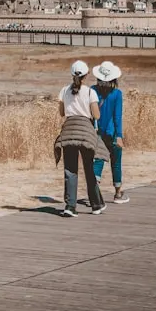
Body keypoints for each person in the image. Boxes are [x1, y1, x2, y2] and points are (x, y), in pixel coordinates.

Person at [54, 60, 106, 217]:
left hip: (69, 130)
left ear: (72, 74)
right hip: (85, 132)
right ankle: (96, 205)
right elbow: (96, 115)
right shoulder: (90, 92)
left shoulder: (64, 91)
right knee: (89, 169)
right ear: (86, 75)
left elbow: (62, 113)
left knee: (70, 169)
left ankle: (70, 206)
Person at [92, 61, 129, 204]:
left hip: (97, 133)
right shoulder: (117, 94)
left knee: (98, 161)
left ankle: (94, 194)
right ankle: (118, 194)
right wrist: (119, 135)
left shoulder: (93, 90)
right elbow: (117, 117)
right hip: (112, 133)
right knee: (116, 162)